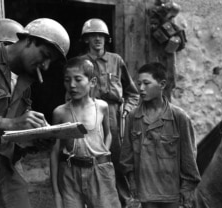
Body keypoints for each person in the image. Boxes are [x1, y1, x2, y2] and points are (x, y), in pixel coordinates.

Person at [0, 18, 70, 208]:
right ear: (28, 40)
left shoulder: (25, 82)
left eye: (50, 62)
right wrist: (10, 124)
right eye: (44, 55)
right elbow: (9, 125)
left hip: (6, 167)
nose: (45, 66)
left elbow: (11, 136)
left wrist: (35, 138)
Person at [120, 62, 201, 208]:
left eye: (146, 83)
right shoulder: (132, 117)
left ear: (162, 84)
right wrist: (133, 190)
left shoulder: (179, 117)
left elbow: (189, 159)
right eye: (139, 84)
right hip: (144, 196)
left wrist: (186, 194)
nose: (141, 88)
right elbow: (127, 159)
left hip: (172, 196)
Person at [78, 18, 140, 208]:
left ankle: (127, 199)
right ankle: (96, 199)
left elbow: (133, 93)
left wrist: (127, 111)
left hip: (114, 114)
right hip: (89, 114)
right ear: (86, 39)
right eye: (92, 35)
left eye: (101, 35)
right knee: (92, 156)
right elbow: (71, 94)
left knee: (118, 158)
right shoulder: (80, 62)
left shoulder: (116, 60)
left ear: (107, 39)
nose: (97, 39)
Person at [50, 56, 121, 208]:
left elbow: (108, 133)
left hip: (100, 173)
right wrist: (56, 192)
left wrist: (103, 153)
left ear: (92, 82)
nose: (72, 85)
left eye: (78, 79)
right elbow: (55, 151)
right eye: (67, 80)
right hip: (70, 174)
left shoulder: (101, 106)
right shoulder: (60, 112)